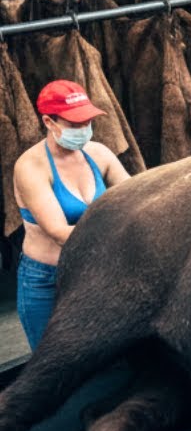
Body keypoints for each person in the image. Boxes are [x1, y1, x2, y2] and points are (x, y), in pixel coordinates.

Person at [12, 80, 130, 350]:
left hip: (95, 272)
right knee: (54, 363)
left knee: (105, 359)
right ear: (49, 122)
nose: (84, 129)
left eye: (87, 121)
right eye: (75, 124)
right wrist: (121, 231)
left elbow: (136, 198)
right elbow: (59, 233)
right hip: (47, 281)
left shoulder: (99, 154)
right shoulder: (31, 166)